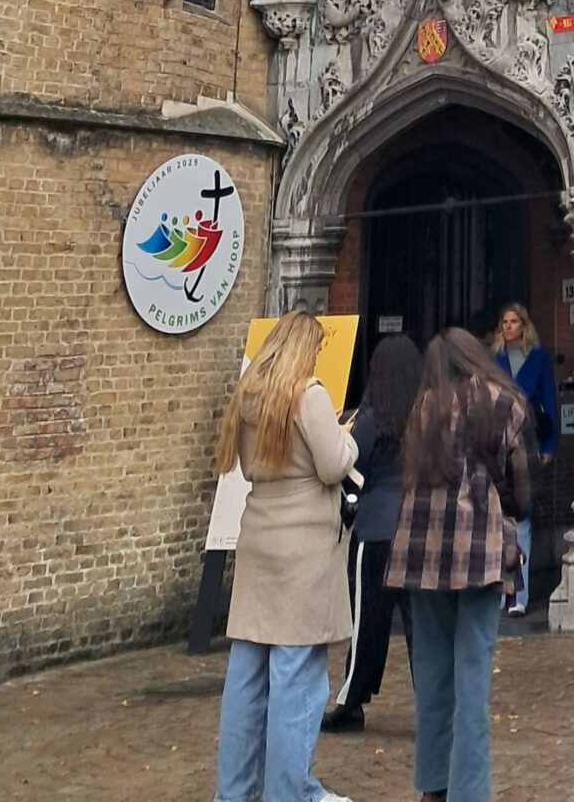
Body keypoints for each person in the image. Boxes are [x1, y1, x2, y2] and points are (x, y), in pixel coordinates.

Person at [209, 310, 358, 802]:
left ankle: (235, 793)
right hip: (303, 548)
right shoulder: (307, 394)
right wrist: (347, 435)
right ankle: (289, 793)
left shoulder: (250, 395)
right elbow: (333, 464)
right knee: (297, 680)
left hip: (259, 537)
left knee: (247, 678)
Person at [386, 329, 537, 802]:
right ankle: (468, 794)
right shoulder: (502, 402)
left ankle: (434, 786)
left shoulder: (424, 407)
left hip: (420, 553)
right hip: (478, 551)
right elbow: (522, 481)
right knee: (471, 683)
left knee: (431, 680)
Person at [325, 332, 422, 734]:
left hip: (378, 530)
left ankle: (351, 702)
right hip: (419, 530)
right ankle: (436, 704)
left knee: (368, 621)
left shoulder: (370, 421)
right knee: (423, 627)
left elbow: (347, 468)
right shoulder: (427, 417)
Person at [490, 302, 558, 613]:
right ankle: (502, 591)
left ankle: (520, 595)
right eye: (505, 321)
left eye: (514, 321)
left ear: (524, 325)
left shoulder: (539, 358)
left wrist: (550, 446)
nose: (508, 326)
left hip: (529, 441)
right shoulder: (495, 358)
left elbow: (550, 401)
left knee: (524, 516)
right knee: (500, 517)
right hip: (499, 445)